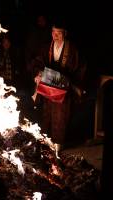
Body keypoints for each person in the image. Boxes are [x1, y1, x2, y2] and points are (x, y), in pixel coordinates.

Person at [37, 21, 87, 154]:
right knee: (46, 113)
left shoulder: (73, 50)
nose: (55, 35)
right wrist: (38, 74)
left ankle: (58, 144)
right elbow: (38, 63)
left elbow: (80, 69)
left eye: (58, 33)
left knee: (61, 115)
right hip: (48, 86)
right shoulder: (46, 47)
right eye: (53, 32)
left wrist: (72, 83)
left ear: (65, 33)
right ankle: (45, 142)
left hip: (64, 87)